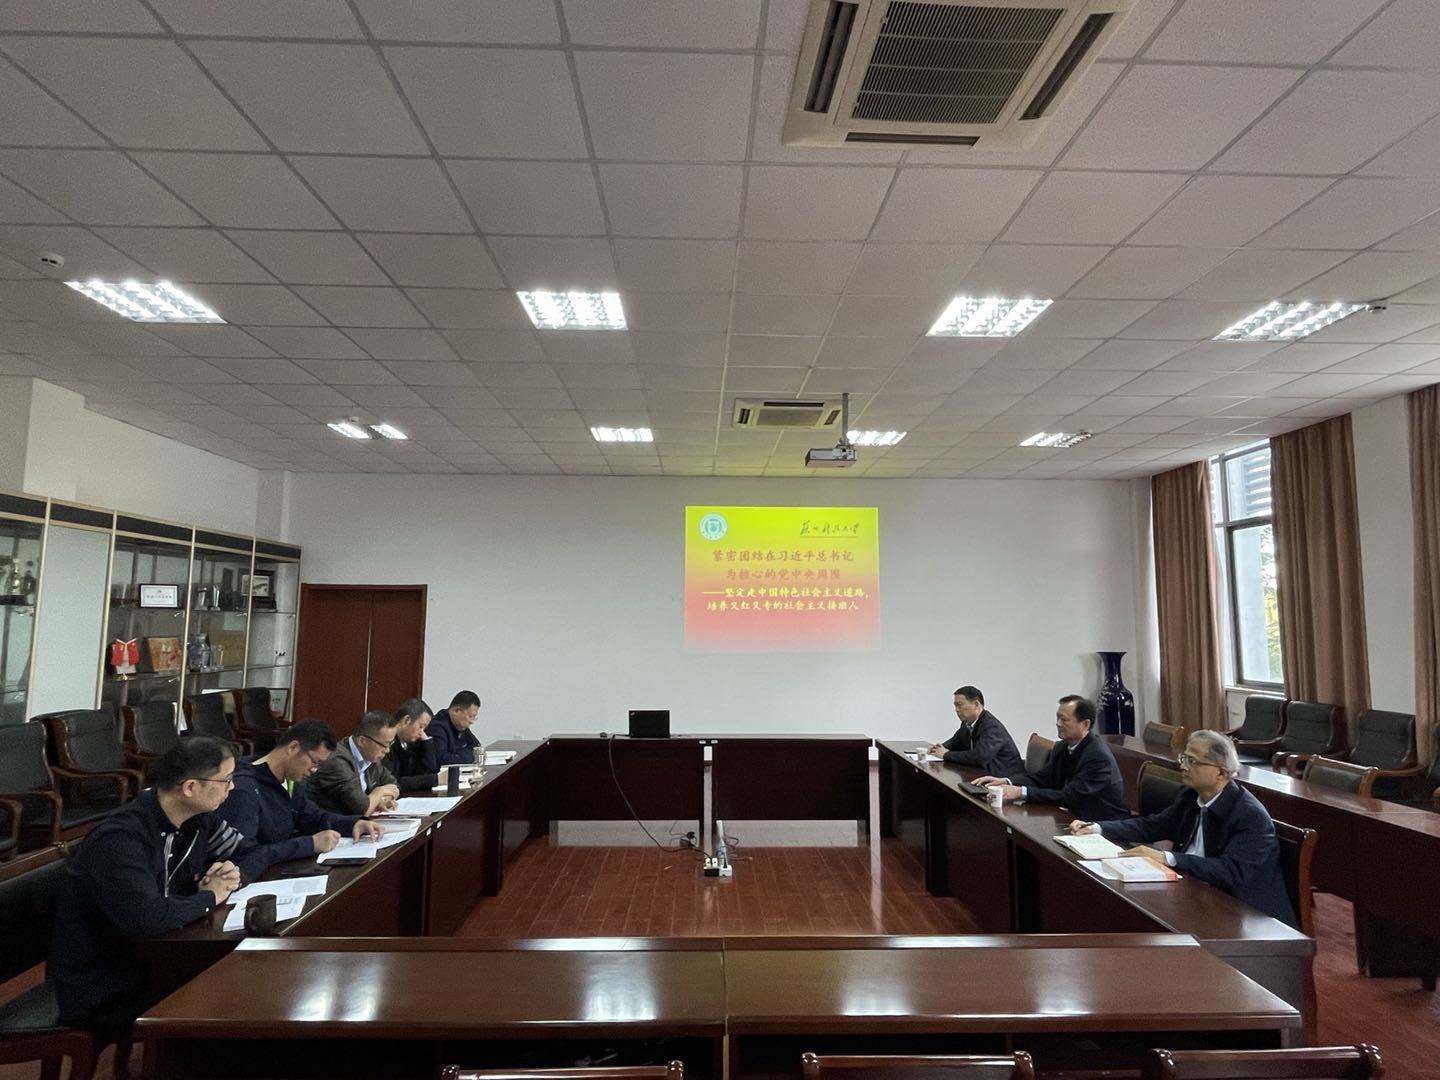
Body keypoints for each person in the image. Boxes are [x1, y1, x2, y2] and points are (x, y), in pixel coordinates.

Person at [49, 736, 253, 1041]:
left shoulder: (195, 822)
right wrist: (210, 896)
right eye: (225, 780)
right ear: (190, 787)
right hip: (102, 982)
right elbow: (147, 918)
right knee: (231, 994)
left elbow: (246, 852)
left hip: (151, 955)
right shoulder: (119, 839)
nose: (232, 788)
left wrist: (229, 873)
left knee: (240, 975)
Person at [1069, 728, 1296, 927]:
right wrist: (1097, 828)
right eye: (1184, 758)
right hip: (1195, 890)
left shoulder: (1249, 815)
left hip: (1244, 913)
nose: (1183, 766)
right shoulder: (1190, 797)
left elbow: (1232, 872)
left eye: (1193, 761)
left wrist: (1167, 858)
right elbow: (1152, 826)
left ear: (1221, 772)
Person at [221, 719, 385, 878]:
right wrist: (310, 844)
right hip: (257, 878)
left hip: (284, 867)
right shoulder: (243, 789)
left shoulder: (290, 780)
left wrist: (354, 823)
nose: (315, 770)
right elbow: (245, 854)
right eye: (315, 762)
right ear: (293, 747)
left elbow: (313, 817)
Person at [974, 694, 1128, 821]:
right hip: (1070, 815)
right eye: (1057, 718)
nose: (1058, 724)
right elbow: (1042, 779)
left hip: (1101, 823)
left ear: (1085, 724)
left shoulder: (1098, 757)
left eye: (1064, 720)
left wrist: (1020, 792)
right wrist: (1007, 781)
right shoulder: (1062, 747)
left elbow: (1071, 796)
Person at [306, 710, 401, 816]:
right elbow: (362, 809)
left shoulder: (371, 756)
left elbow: (393, 784)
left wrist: (380, 800)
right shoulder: (336, 761)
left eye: (391, 743)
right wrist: (379, 792)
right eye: (384, 745)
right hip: (329, 823)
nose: (387, 750)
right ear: (362, 741)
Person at [928, 685, 1024, 778]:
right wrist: (938, 748)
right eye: (955, 706)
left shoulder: (992, 727)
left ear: (976, 705)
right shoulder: (967, 723)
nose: (956, 710)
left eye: (960, 705)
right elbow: (955, 742)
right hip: (983, 774)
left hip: (1006, 778)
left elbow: (980, 757)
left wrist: (946, 754)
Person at [384, 697, 439, 792]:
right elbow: (394, 782)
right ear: (406, 720)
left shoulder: (410, 743)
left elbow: (428, 771)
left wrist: (426, 742)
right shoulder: (385, 743)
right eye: (420, 726)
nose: (422, 733)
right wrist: (435, 779)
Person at [428, 690, 482, 766]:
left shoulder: (460, 726)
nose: (471, 722)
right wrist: (467, 756)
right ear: (456, 711)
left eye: (474, 717)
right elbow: (442, 759)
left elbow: (476, 746)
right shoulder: (437, 727)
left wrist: (459, 755)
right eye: (470, 716)